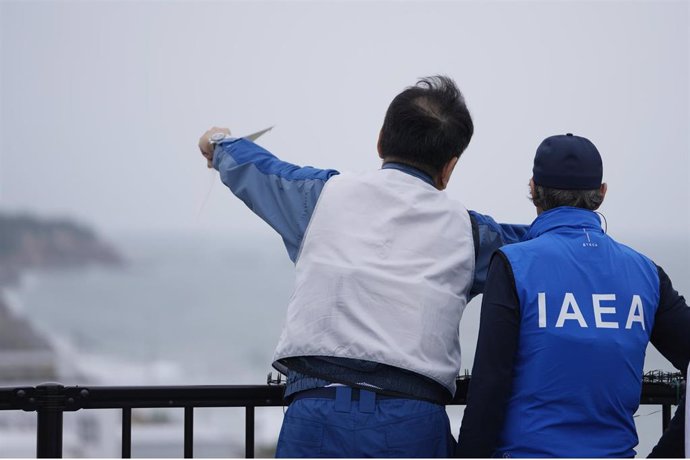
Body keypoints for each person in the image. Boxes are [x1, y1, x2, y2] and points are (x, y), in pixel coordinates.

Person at [197, 76, 527, 457]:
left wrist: (218, 144)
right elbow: (542, 244)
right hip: (412, 421)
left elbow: (258, 167)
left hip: (315, 413)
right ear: (449, 168)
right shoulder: (471, 235)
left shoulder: (320, 198)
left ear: (381, 141)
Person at [455, 133, 690, 458]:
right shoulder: (646, 273)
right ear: (601, 193)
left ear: (533, 189)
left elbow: (489, 387)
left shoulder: (514, 264)